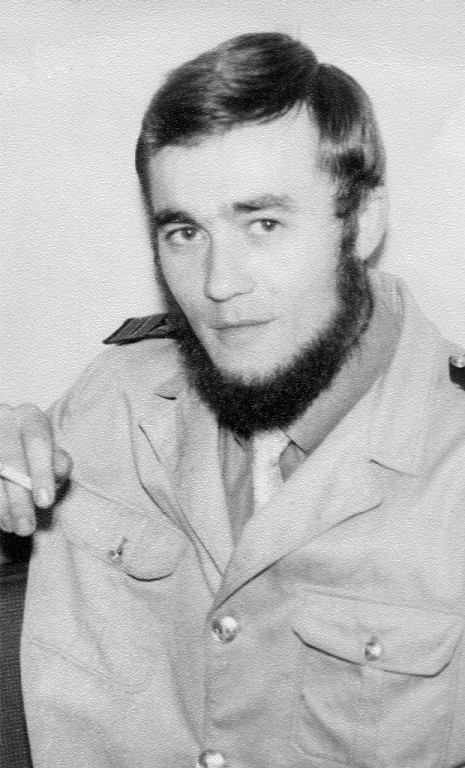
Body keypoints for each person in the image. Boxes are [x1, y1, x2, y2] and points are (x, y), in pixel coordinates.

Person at [1, 31, 465, 768]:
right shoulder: (116, 398)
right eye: (185, 231)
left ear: (364, 222)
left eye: (263, 224)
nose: (218, 284)